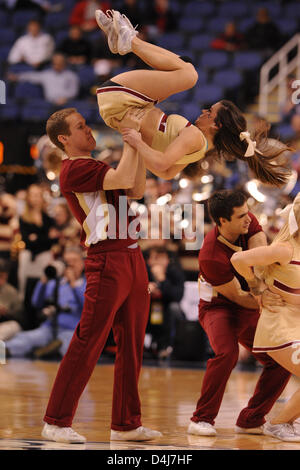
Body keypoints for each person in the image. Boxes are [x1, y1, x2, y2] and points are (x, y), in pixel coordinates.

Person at [41, 106, 162, 443]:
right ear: (65, 139)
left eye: (87, 125)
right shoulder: (74, 169)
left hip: (133, 256)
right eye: (81, 128)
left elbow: (135, 187)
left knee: (133, 344)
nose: (89, 131)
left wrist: (137, 142)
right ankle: (55, 420)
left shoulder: (95, 166)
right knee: (88, 340)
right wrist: (130, 136)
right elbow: (124, 178)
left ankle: (126, 423)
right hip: (106, 258)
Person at [94, 9, 291, 185]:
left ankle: (131, 40)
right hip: (119, 110)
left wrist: (136, 140)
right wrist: (135, 136)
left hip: (121, 98)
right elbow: (167, 173)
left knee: (189, 74)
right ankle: (124, 39)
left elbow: (162, 163)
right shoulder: (199, 150)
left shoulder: (195, 136)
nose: (204, 111)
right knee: (183, 66)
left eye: (210, 111)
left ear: (216, 125)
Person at [188, 189, 291, 437]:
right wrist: (271, 297)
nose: (249, 218)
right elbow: (239, 299)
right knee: (227, 353)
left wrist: (262, 285)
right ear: (222, 221)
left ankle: (251, 420)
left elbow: (260, 260)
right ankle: (200, 419)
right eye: (241, 216)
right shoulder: (211, 256)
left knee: (281, 358)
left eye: (248, 213)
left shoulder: (247, 220)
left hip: (252, 299)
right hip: (220, 306)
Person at [231, 192, 300, 442]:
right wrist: (256, 288)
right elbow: (238, 259)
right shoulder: (284, 249)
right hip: (278, 328)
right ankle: (279, 423)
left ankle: (291, 420)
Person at [5, 247, 86, 358]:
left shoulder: (87, 285)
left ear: (82, 263)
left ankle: (53, 350)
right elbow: (36, 303)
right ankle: (5, 351)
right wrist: (43, 282)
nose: (70, 265)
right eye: (67, 262)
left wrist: (74, 284)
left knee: (70, 342)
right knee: (27, 338)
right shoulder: (56, 283)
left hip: (73, 330)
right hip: (49, 327)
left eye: (74, 261)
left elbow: (88, 306)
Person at [146, 246, 185, 358]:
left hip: (166, 311)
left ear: (167, 260)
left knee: (173, 307)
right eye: (155, 258)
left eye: (162, 258)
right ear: (149, 260)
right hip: (147, 310)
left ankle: (167, 347)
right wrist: (147, 290)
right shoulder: (144, 270)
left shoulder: (174, 272)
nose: (158, 262)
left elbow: (177, 296)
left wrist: (162, 279)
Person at [8, 53, 80, 106]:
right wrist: (17, 77)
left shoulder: (72, 76)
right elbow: (31, 76)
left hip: (66, 103)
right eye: (54, 63)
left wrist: (65, 98)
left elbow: (73, 92)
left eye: (59, 63)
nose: (56, 65)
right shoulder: (47, 74)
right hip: (50, 104)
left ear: (64, 64)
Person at [0, 259, 23, 342]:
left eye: (2, 276)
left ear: (6, 275)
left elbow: (20, 315)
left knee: (14, 326)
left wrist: (6, 312)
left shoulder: (11, 291)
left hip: (4, 324)